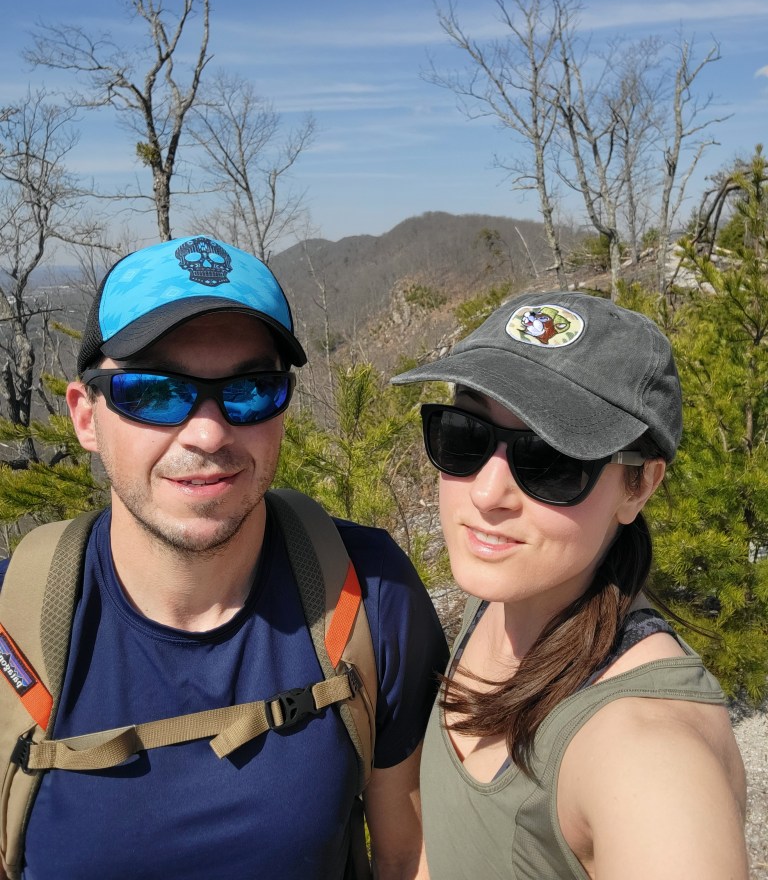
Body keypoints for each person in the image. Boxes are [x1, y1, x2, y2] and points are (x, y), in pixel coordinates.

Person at [0, 235, 447, 880]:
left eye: (250, 389)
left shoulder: (367, 593)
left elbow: (410, 858)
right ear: (86, 416)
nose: (209, 432)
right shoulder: (13, 628)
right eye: (153, 392)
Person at [392, 290, 749, 880]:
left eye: (551, 459)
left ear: (639, 485)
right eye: (465, 435)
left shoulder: (650, 760)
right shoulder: (502, 598)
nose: (486, 494)